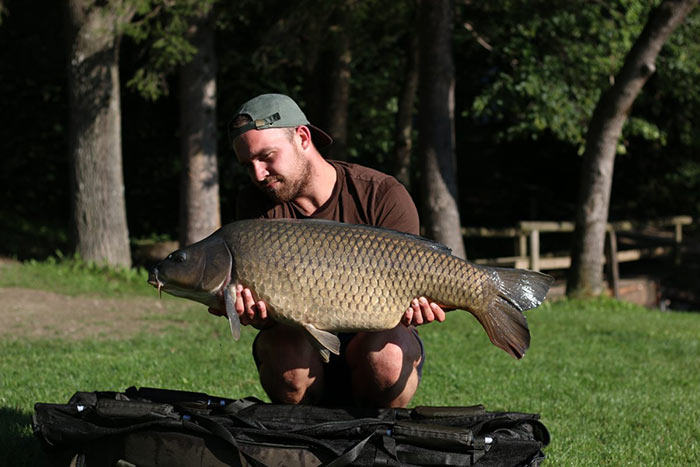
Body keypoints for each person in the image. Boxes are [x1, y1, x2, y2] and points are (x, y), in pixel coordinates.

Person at [214, 93, 446, 408]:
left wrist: (419, 307)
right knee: (284, 358)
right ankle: (310, 431)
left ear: (302, 137)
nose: (258, 174)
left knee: (388, 359)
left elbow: (410, 294)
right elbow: (270, 317)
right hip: (303, 344)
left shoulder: (381, 194)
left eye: (266, 156)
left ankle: (373, 432)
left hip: (375, 340)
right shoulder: (255, 204)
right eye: (248, 165)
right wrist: (255, 315)